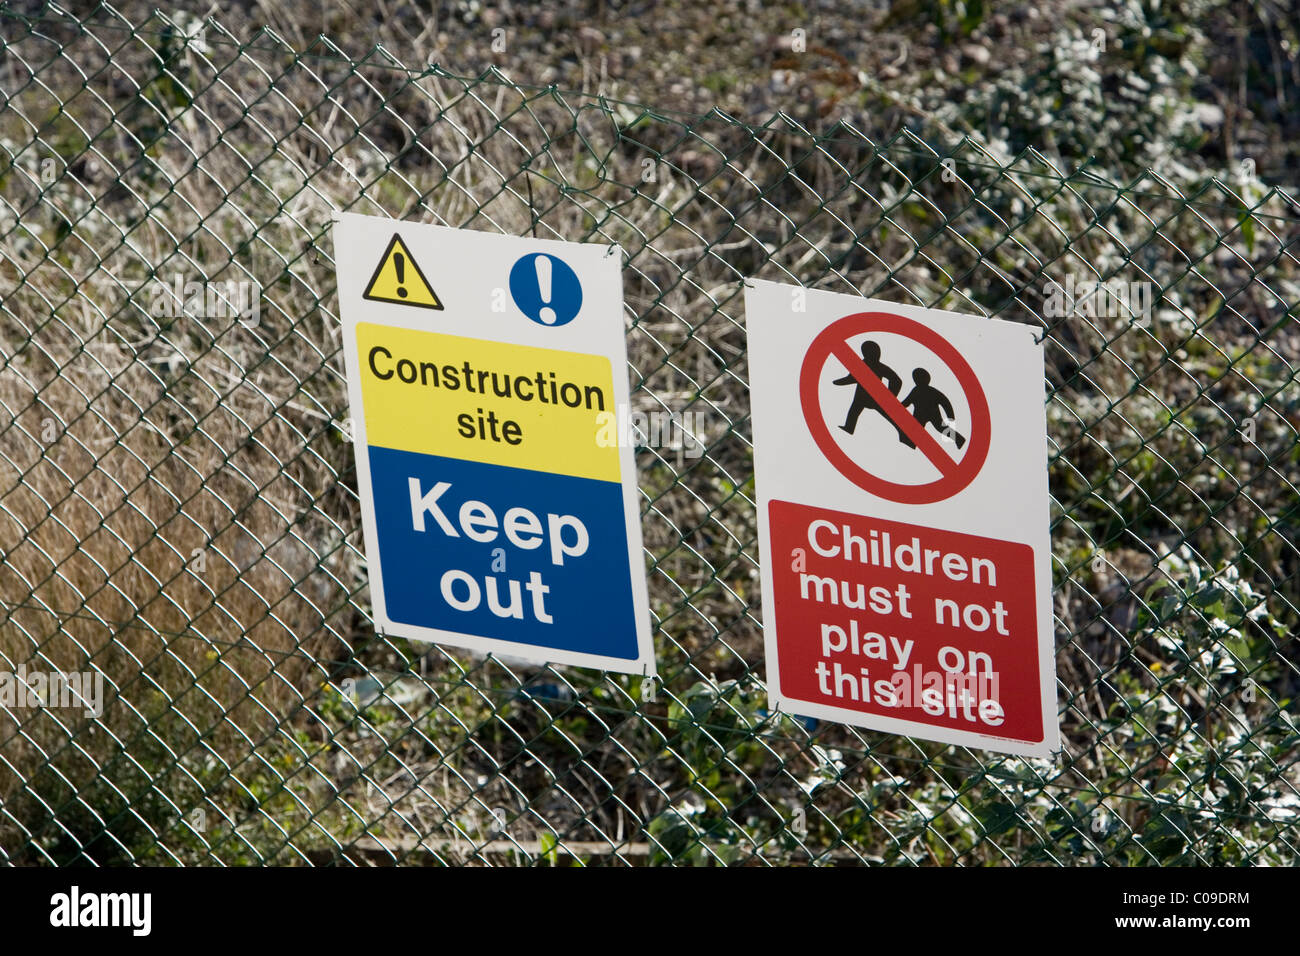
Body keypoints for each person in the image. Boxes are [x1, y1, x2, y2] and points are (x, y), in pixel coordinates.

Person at [834, 340, 908, 443]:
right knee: (854, 411)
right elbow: (851, 378)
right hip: (865, 396)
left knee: (889, 416)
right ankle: (849, 427)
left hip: (874, 397)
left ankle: (904, 433)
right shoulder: (862, 365)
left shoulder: (876, 366)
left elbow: (896, 380)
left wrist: (890, 396)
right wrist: (840, 382)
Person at [900, 368, 966, 449]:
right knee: (918, 429)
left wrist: (950, 417)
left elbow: (945, 402)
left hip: (931, 414)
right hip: (921, 415)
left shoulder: (925, 390)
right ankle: (912, 443)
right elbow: (907, 402)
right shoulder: (917, 390)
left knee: (939, 428)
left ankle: (959, 439)